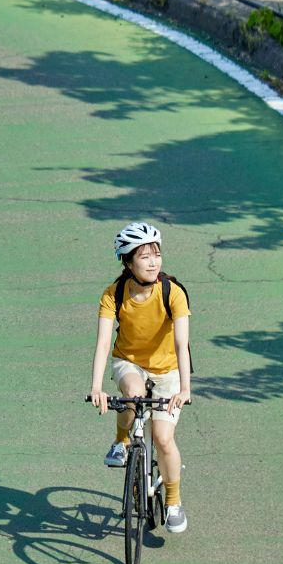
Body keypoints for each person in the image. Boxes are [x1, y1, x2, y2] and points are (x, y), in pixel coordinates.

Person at [87, 221, 193, 534]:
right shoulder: (113, 294)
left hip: (169, 370)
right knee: (131, 395)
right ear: (128, 262)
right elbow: (104, 343)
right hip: (129, 362)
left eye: (156, 255)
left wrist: (185, 388)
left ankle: (173, 501)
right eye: (144, 256)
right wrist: (96, 387)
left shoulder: (172, 292)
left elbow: (181, 343)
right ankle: (121, 442)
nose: (153, 262)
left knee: (162, 438)